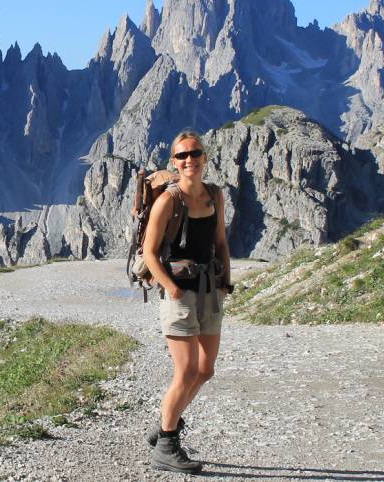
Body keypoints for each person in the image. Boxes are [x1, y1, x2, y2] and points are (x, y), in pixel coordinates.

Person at [142, 131, 232, 474]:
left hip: (210, 289)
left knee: (205, 369)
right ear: (174, 162)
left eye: (194, 154)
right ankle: (166, 444)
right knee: (187, 370)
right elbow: (150, 254)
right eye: (181, 156)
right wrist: (172, 289)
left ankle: (168, 421)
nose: (189, 160)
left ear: (205, 158)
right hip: (180, 293)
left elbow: (220, 240)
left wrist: (226, 279)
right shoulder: (169, 201)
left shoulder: (215, 195)